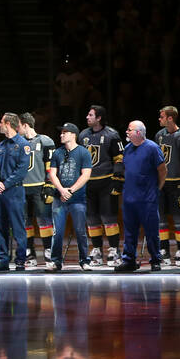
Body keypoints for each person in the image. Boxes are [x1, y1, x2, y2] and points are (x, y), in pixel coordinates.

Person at [114, 120, 167, 272]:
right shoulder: (128, 148)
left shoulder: (152, 148)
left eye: (129, 130)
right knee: (130, 232)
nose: (127, 132)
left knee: (151, 231)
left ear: (138, 132)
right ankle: (129, 260)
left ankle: (155, 259)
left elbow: (162, 170)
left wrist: (158, 188)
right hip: (129, 198)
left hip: (147, 198)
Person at [79, 105, 125, 267]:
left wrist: (118, 179)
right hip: (88, 183)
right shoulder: (83, 135)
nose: (87, 117)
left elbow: (119, 158)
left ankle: (114, 249)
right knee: (92, 218)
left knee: (109, 217)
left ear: (99, 118)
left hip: (106, 182)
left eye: (90, 115)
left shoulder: (112, 135)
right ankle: (97, 250)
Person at [47, 123, 92, 272]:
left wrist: (71, 190)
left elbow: (86, 175)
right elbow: (52, 174)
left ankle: (85, 260)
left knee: (80, 231)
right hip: (59, 198)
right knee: (57, 232)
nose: (61, 135)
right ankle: (56, 261)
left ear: (73, 135)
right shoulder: (57, 153)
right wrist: (61, 190)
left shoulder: (83, 153)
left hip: (77, 198)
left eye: (65, 132)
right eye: (61, 132)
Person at [0, 112, 31, 272]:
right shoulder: (1, 145)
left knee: (18, 226)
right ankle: (3, 260)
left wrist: (4, 184)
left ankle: (20, 260)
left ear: (8, 124)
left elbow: (21, 170)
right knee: (0, 226)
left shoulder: (23, 144)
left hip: (14, 190)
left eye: (1, 122)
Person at [155, 105, 180, 266]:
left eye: (162, 116)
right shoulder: (159, 135)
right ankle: (163, 250)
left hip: (177, 184)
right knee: (161, 220)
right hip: (161, 184)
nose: (159, 119)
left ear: (170, 118)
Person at [20, 113, 57, 267]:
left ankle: (48, 250)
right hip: (21, 189)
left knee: (44, 220)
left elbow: (52, 165)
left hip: (39, 187)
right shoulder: (17, 142)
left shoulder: (45, 140)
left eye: (18, 126)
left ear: (25, 125)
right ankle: (30, 253)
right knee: (26, 221)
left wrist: (50, 184)